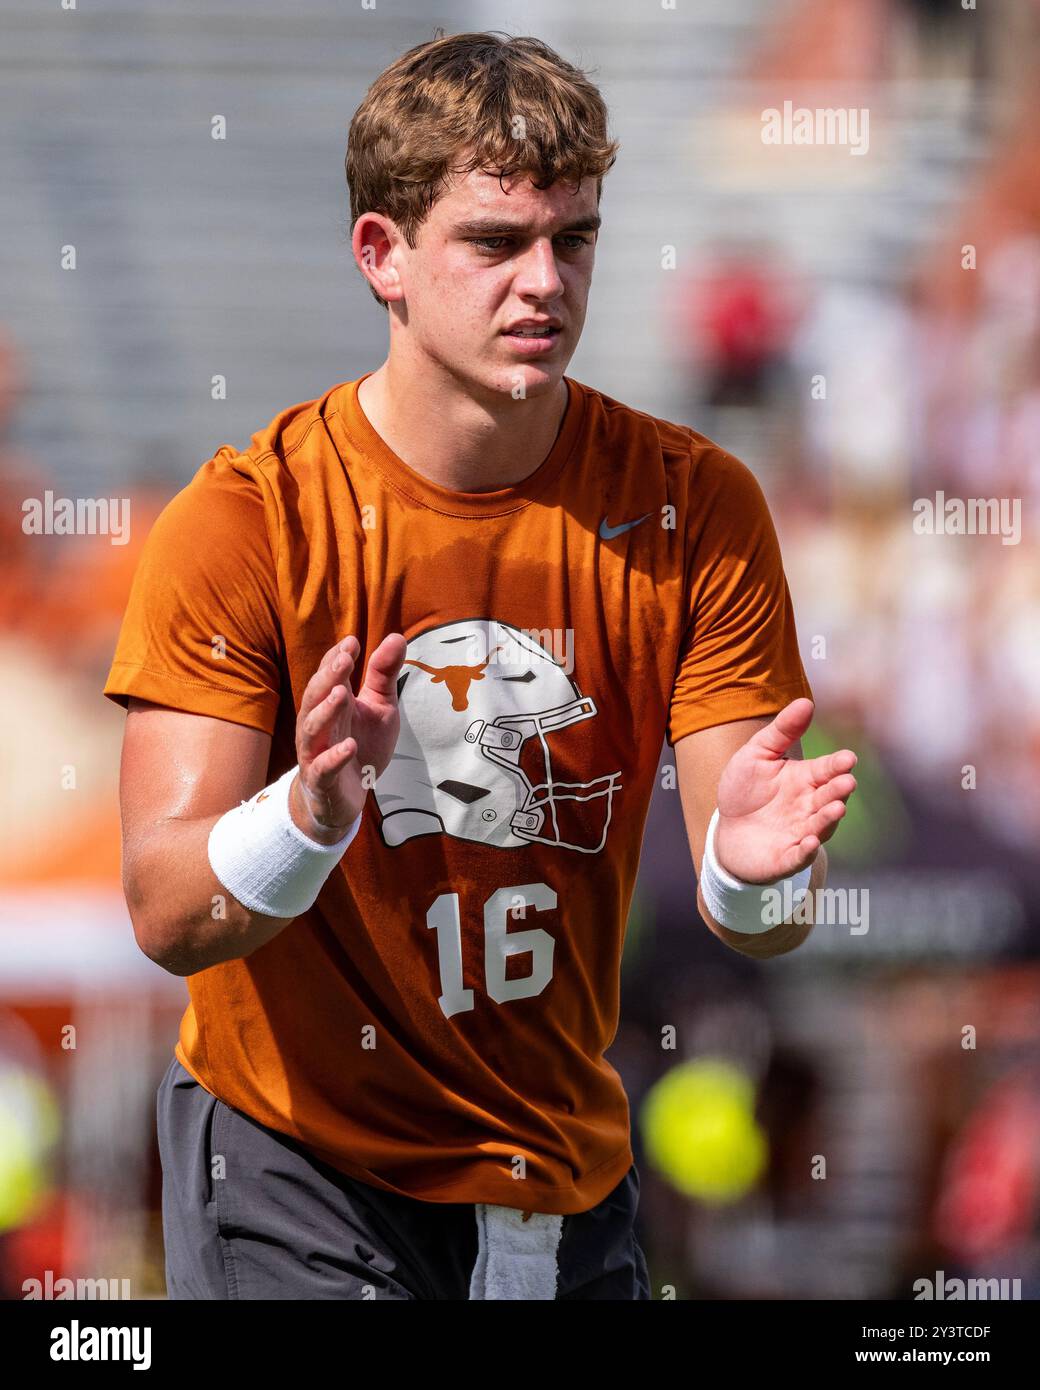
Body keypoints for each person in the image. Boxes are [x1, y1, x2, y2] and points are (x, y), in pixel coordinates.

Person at [103, 31, 857, 1301]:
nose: (544, 283)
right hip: (303, 1166)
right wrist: (309, 810)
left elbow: (765, 912)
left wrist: (745, 872)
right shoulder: (246, 519)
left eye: (574, 240)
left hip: (565, 1168)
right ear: (381, 256)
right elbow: (167, 911)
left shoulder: (692, 505)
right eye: (495, 244)